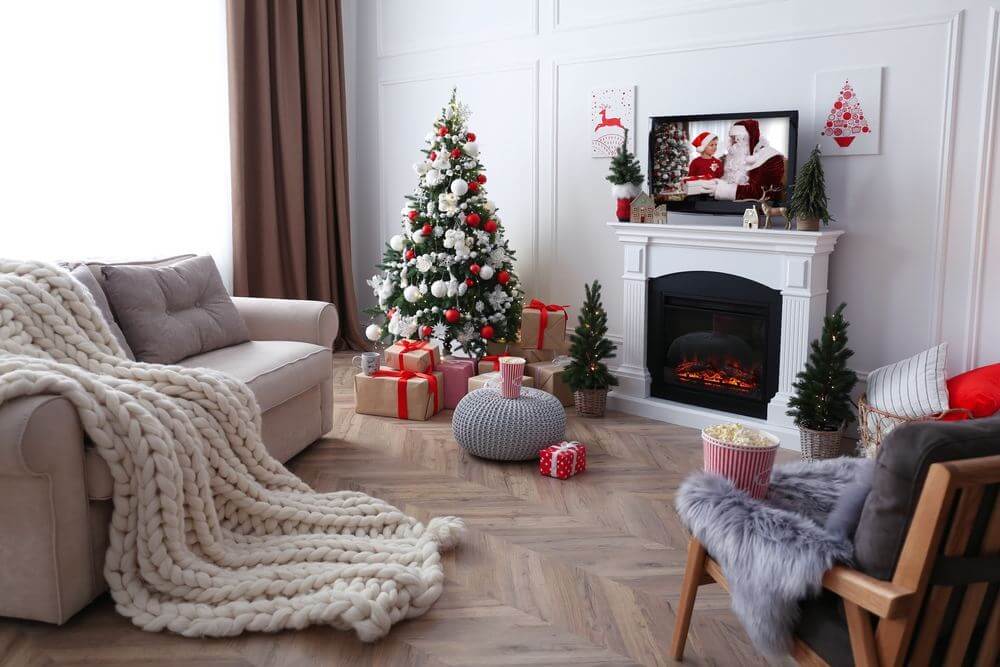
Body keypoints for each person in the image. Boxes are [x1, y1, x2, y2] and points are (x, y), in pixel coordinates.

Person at [713, 119, 786, 201]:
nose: (732, 144)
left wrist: (718, 189)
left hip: (759, 210)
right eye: (731, 139)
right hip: (724, 209)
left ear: (747, 139)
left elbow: (758, 192)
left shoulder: (771, 157)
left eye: (736, 139)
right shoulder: (727, 158)